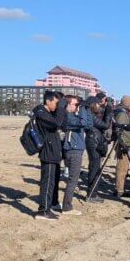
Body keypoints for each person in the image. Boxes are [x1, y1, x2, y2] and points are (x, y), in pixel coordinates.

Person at [33, 90, 67, 220]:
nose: (57, 106)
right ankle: (43, 211)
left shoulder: (47, 113)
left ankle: (49, 206)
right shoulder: (41, 113)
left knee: (52, 182)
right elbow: (57, 122)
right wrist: (62, 107)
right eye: (56, 103)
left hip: (53, 152)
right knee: (47, 183)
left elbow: (61, 123)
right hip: (48, 153)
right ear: (48, 101)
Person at [61, 95, 90, 215]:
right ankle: (67, 207)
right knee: (73, 179)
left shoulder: (71, 116)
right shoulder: (68, 117)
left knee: (72, 178)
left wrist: (83, 109)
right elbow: (83, 123)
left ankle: (66, 203)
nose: (77, 106)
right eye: (75, 104)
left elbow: (89, 124)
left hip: (73, 149)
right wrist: (82, 108)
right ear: (67, 105)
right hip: (73, 150)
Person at [85, 96, 110, 201]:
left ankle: (92, 193)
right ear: (92, 105)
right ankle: (91, 194)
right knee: (95, 168)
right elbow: (105, 125)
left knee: (94, 167)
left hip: (93, 141)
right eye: (97, 104)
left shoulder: (89, 114)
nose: (99, 106)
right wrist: (108, 114)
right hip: (94, 142)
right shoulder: (90, 115)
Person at [112, 95, 130, 198]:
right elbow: (119, 130)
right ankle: (119, 190)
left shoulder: (121, 111)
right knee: (122, 167)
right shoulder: (122, 113)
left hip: (125, 142)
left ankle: (120, 189)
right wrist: (123, 143)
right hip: (123, 143)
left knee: (124, 167)